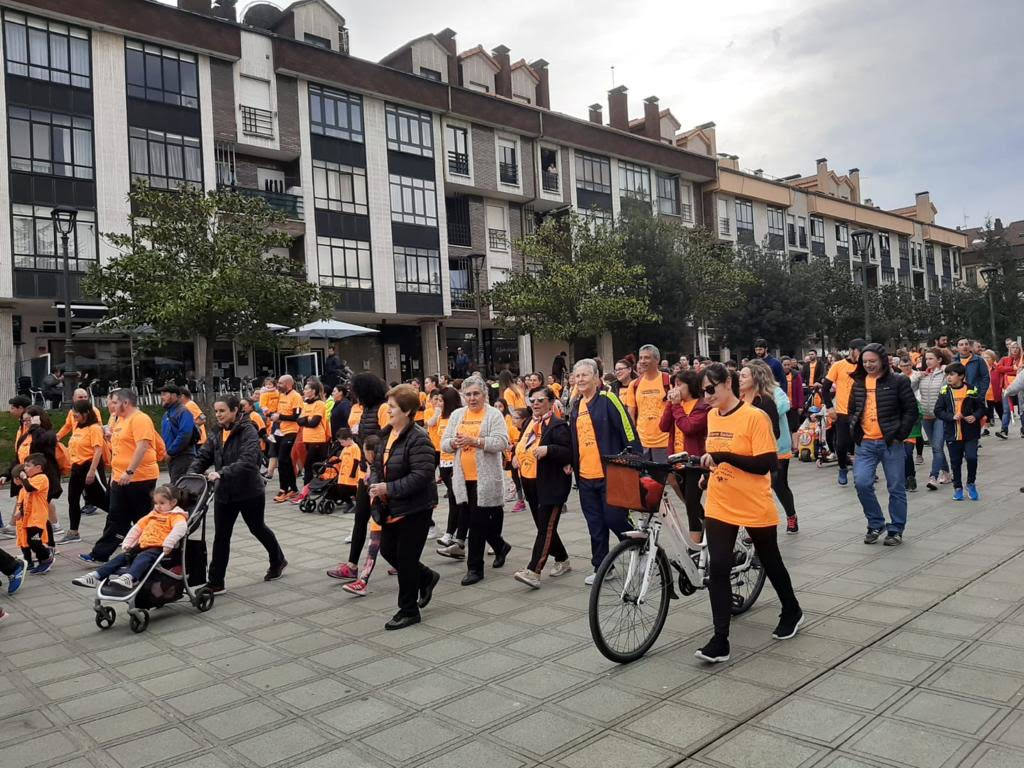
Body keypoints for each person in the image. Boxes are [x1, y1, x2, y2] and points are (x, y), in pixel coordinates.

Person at [694, 363, 802, 663]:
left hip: (754, 502)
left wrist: (724, 456)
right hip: (720, 501)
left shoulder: (755, 417)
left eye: (710, 389)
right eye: (702, 391)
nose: (707, 396)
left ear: (728, 383)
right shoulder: (713, 416)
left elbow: (767, 463)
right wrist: (709, 472)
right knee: (718, 567)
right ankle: (720, 639)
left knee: (770, 560)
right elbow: (716, 455)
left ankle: (791, 609)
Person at [190, 395, 286, 592]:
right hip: (224, 492)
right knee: (221, 536)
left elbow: (249, 460)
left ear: (235, 411)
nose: (218, 415)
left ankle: (278, 560)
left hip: (249, 491)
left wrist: (222, 473)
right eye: (216, 411)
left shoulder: (247, 430)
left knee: (257, 528)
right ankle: (216, 582)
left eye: (222, 411)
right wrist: (192, 472)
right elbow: (204, 454)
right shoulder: (217, 432)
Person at [367, 384, 440, 629]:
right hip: (392, 507)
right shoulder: (387, 434)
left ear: (407, 411)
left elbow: (422, 475)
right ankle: (426, 577)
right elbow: (377, 465)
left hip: (416, 507)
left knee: (406, 559)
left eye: (393, 408)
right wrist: (377, 485)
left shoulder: (419, 438)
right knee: (388, 551)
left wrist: (389, 488)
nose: (388, 411)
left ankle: (408, 610)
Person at [568, 358, 640, 585]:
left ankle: (641, 551)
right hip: (586, 477)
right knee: (595, 525)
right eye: (577, 376)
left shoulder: (608, 399)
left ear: (596, 377)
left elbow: (627, 429)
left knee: (615, 519)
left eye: (584, 375)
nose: (580, 380)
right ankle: (601, 567)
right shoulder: (576, 405)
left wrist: (634, 459)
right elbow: (575, 440)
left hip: (611, 474)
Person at [439, 376, 510, 585]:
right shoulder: (457, 415)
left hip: (486, 477)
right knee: (474, 520)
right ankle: (500, 546)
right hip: (463, 477)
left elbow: (501, 442)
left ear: (484, 395)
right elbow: (444, 444)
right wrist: (454, 442)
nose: (472, 398)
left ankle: (475, 568)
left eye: (476, 394)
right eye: (468, 394)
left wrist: (476, 441)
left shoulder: (493, 414)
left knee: (477, 523)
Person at [847, 343, 918, 546]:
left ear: (882, 361)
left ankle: (896, 529)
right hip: (866, 444)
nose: (869, 365)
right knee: (861, 482)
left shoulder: (898, 381)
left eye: (873, 361)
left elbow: (911, 410)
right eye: (865, 361)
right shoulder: (859, 382)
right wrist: (855, 430)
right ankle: (876, 522)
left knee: (896, 486)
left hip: (890, 443)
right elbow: (852, 409)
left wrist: (899, 434)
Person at [83, 389, 160, 563]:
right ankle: (100, 553)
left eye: (115, 402)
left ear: (125, 403)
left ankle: (148, 550)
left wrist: (130, 471)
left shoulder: (140, 419)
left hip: (140, 477)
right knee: (116, 516)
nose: (111, 406)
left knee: (141, 516)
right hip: (119, 477)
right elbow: (122, 445)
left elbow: (142, 446)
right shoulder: (120, 420)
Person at [71, 484, 188, 591]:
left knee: (142, 557)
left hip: (159, 547)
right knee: (121, 557)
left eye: (162, 503)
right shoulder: (152, 515)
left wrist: (168, 543)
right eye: (156, 503)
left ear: (173, 503)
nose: (158, 506)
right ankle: (95, 576)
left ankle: (130, 578)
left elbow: (180, 528)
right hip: (142, 545)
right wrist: (128, 543)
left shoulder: (176, 516)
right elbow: (137, 528)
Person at [327, 373, 387, 581]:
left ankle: (402, 561)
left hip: (379, 474)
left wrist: (375, 466)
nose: (353, 394)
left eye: (356, 390)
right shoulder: (366, 409)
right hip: (366, 472)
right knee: (360, 518)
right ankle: (352, 565)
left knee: (386, 521)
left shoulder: (383, 408)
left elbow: (388, 441)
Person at [512, 385, 573, 588]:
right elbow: (522, 444)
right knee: (544, 527)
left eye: (540, 400)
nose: (536, 404)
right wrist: (515, 457)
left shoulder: (558, 425)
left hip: (551, 485)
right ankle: (562, 559)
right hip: (531, 482)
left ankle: (533, 570)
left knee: (544, 528)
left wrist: (549, 449)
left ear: (550, 402)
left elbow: (568, 452)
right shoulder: (530, 422)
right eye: (532, 400)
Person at [658, 369, 710, 543]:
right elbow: (664, 426)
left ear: (691, 385)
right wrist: (670, 404)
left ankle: (694, 543)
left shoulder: (702, 406)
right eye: (674, 385)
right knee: (687, 499)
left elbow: (688, 427)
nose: (676, 388)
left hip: (694, 462)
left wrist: (676, 406)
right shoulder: (675, 404)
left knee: (692, 504)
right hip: (676, 459)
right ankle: (705, 521)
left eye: (680, 385)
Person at [933, 363, 985, 501]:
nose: (948, 377)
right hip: (952, 433)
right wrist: (951, 417)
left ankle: (971, 483)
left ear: (961, 376)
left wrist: (975, 416)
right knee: (955, 462)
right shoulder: (944, 391)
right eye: (947, 374)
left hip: (970, 433)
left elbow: (981, 408)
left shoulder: (971, 389)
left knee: (972, 458)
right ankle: (958, 487)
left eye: (952, 374)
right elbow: (938, 411)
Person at [64, 400, 110, 544]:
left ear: (86, 413)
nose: (74, 415)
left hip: (89, 466)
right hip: (76, 468)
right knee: (72, 499)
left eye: (77, 412)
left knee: (100, 499)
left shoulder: (94, 428)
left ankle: (124, 522)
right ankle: (73, 531)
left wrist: (91, 471)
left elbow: (98, 450)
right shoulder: (78, 427)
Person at [821, 338, 866, 486]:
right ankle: (842, 467)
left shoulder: (865, 366)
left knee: (863, 444)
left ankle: (863, 470)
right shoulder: (838, 366)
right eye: (859, 352)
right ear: (852, 350)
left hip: (861, 411)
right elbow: (825, 388)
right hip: (842, 412)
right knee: (841, 444)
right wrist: (829, 407)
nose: (861, 356)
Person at [340, 434, 379, 596]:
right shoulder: (372, 467)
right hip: (377, 504)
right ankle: (361, 579)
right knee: (376, 542)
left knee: (381, 544)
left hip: (388, 507)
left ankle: (363, 580)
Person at [914, 347, 952, 489]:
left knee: (937, 446)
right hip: (926, 415)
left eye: (931, 358)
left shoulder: (945, 373)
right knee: (937, 448)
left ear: (939, 360)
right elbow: (909, 387)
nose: (928, 361)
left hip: (940, 416)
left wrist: (947, 371)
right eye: (926, 359)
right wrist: (917, 376)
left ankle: (933, 477)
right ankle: (947, 473)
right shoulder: (922, 375)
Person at [629, 344, 672, 462]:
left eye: (647, 358)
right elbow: (631, 414)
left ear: (657, 360)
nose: (642, 361)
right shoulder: (634, 385)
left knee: (664, 479)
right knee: (644, 479)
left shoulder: (669, 381)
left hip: (665, 441)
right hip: (642, 442)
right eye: (641, 358)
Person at [12, 456, 55, 573]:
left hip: (38, 516)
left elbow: (30, 489)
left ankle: (47, 557)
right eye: (25, 465)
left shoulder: (41, 478)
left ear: (38, 467)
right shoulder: (30, 479)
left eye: (28, 466)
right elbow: (25, 499)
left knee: (34, 541)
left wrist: (24, 478)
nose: (25, 468)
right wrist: (20, 512)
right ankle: (43, 559)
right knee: (31, 541)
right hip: (29, 517)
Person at [0, 395, 32, 539]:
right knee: (24, 496)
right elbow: (18, 452)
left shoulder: (30, 426)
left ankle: (14, 525)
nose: (10, 410)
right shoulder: (22, 426)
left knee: (30, 496)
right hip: (21, 465)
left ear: (22, 409)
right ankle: (13, 525)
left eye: (13, 408)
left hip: (30, 467)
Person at [271, 374, 303, 502]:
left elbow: (296, 417)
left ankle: (283, 489)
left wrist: (280, 417)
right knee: (285, 461)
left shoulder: (296, 396)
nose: (278, 385)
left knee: (284, 459)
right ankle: (293, 488)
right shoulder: (282, 395)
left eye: (280, 383)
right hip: (281, 431)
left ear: (289, 384)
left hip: (292, 431)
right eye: (278, 383)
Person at [295, 379, 329, 495]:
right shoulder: (305, 404)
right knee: (310, 465)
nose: (303, 391)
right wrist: (306, 420)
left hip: (317, 439)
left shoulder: (319, 404)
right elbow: (299, 421)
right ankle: (311, 487)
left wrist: (306, 420)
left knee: (311, 465)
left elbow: (315, 422)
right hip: (307, 439)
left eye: (306, 389)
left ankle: (310, 488)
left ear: (313, 391)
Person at [158, 384, 198, 484]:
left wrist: (170, 452)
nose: (161, 397)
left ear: (175, 396)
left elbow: (184, 435)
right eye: (161, 394)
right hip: (173, 458)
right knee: (175, 487)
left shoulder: (183, 412)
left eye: (164, 394)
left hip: (183, 457)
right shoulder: (167, 414)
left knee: (180, 490)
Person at [994, 341, 1023, 438]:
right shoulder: (1004, 359)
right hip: (1006, 387)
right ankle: (1004, 430)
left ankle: (1023, 430)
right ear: (1009, 349)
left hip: (1020, 388)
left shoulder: (1022, 359)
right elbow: (999, 368)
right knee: (1006, 410)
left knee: (1021, 410)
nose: (1015, 349)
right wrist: (1012, 368)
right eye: (1012, 347)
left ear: (1020, 349)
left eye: (1016, 347)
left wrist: (1014, 370)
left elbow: (1021, 371)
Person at [258, 377, 280, 478]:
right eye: (266, 384)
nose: (268, 386)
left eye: (270, 384)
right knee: (273, 446)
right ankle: (270, 471)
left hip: (278, 420)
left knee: (274, 447)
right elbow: (263, 407)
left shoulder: (278, 393)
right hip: (271, 420)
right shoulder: (264, 394)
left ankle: (270, 471)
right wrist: (270, 415)